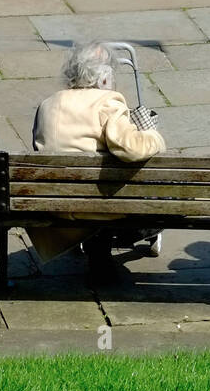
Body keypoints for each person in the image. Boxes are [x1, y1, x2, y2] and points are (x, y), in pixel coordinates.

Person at [30, 41, 167, 276]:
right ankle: (134, 236)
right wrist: (153, 137)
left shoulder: (47, 104)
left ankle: (97, 249)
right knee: (151, 190)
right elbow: (131, 148)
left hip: (54, 204)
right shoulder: (106, 103)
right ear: (104, 78)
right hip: (98, 205)